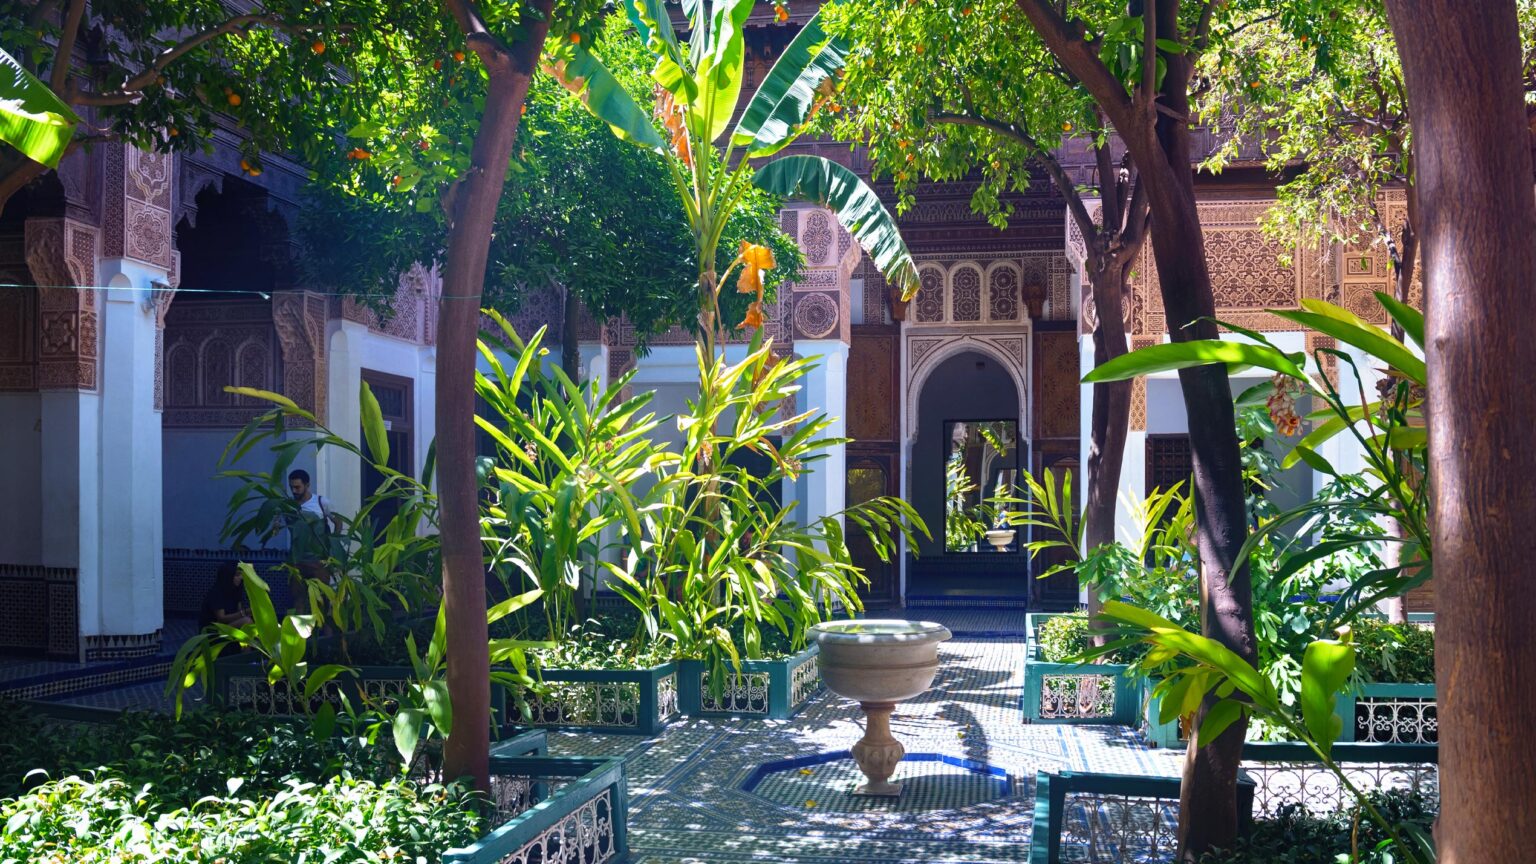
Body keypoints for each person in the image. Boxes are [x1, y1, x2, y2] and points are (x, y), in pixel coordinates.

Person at [267, 469, 344, 606]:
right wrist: (276, 523)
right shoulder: (287, 506)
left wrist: (333, 545)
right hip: (297, 560)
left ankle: (326, 626)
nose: (294, 491)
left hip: (318, 560)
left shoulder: (321, 503)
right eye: (292, 487)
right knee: (298, 598)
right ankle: (301, 627)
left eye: (297, 487)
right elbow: (275, 528)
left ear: (307, 485)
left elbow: (338, 521)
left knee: (323, 599)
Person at [200, 560, 253, 630]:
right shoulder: (217, 593)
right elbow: (221, 618)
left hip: (228, 625)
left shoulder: (235, 591)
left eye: (241, 575)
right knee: (246, 621)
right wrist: (245, 612)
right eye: (237, 575)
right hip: (213, 630)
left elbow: (239, 611)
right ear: (228, 576)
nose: (241, 578)